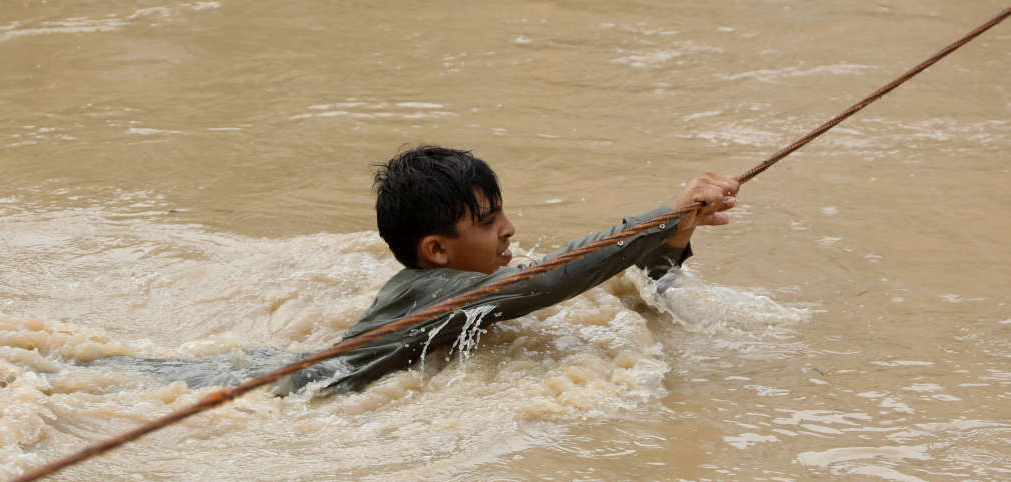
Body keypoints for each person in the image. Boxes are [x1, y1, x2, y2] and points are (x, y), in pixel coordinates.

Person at [276, 145, 739, 396]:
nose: (510, 230)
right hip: (300, 388)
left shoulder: (457, 283)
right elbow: (553, 276)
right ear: (436, 250)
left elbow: (634, 291)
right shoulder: (439, 289)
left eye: (502, 214)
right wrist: (662, 215)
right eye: (488, 222)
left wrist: (674, 233)